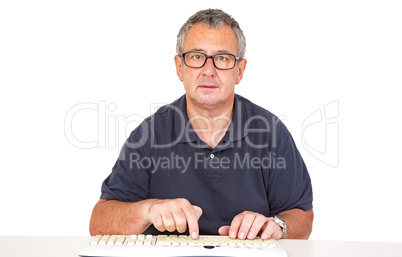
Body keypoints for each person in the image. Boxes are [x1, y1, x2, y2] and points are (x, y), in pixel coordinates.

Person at [89, 9, 313, 241]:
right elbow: (99, 222)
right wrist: (147, 210)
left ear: (240, 71)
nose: (209, 71)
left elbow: (302, 216)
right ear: (179, 67)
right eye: (197, 57)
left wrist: (277, 225)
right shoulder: (148, 135)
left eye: (222, 58)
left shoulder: (271, 133)